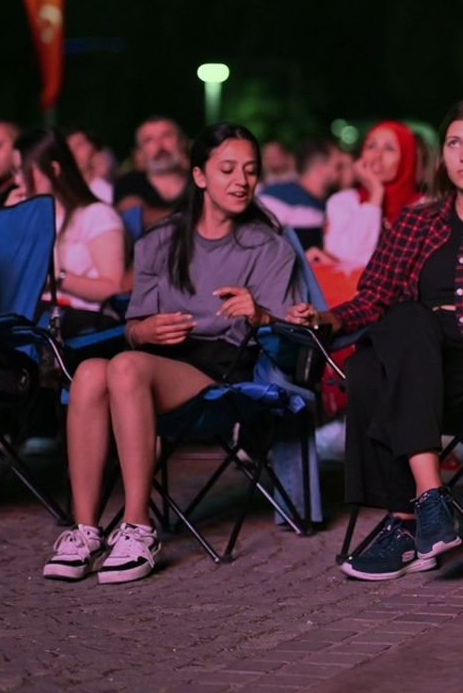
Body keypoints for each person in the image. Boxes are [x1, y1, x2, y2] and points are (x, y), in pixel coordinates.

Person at [285, 98, 463, 581]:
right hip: (416, 364)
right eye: (454, 144)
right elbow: (372, 297)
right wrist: (325, 318)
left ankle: (405, 520)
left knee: (370, 366)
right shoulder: (416, 223)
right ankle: (428, 501)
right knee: (397, 330)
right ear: (441, 155)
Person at [41, 123, 300, 584]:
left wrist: (258, 312)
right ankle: (85, 531)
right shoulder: (159, 241)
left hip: (222, 367)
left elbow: (290, 331)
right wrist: (144, 329)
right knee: (88, 373)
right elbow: (135, 329)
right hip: (156, 360)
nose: (241, 180)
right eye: (227, 169)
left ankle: (138, 528)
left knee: (122, 367)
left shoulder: (269, 245)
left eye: (250, 170)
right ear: (199, 176)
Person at [8, 129, 128, 334]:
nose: (18, 181)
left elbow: (112, 289)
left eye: (24, 170)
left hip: (83, 321)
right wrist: (11, 221)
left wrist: (57, 278)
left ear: (53, 169)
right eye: (14, 172)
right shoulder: (29, 217)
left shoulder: (96, 215)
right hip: (35, 316)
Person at [312, 121, 422, 306]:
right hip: (347, 303)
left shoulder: (424, 208)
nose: (377, 156)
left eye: (389, 149)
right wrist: (375, 195)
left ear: (406, 157)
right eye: (371, 146)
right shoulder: (342, 202)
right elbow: (349, 257)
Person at [258, 138, 344, 249]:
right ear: (320, 168)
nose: (341, 173)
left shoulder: (332, 203)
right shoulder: (276, 197)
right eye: (338, 167)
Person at [113, 116, 189, 232]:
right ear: (139, 153)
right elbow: (136, 216)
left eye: (166, 136)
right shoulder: (128, 183)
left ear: (182, 143)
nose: (159, 145)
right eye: (149, 140)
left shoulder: (201, 180)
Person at [65, 129, 114, 204]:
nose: (73, 152)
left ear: (93, 147)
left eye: (79, 145)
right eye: (69, 149)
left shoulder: (104, 192)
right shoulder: (67, 196)